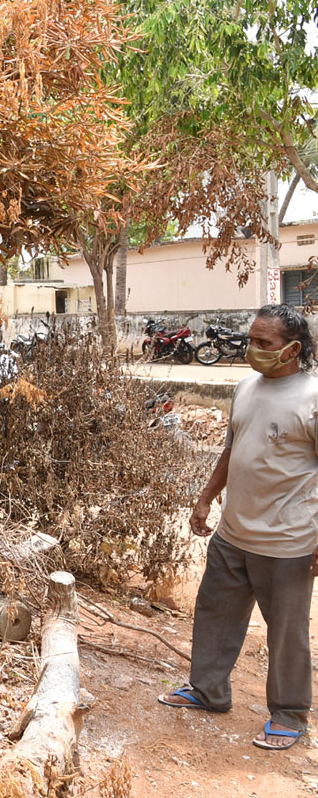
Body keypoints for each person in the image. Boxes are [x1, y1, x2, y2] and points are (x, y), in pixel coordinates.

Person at [158, 303, 318, 751]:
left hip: (287, 542)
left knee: (287, 632)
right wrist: (206, 497)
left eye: (263, 343)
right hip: (232, 535)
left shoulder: (312, 397)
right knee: (214, 615)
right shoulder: (246, 387)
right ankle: (209, 691)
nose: (253, 350)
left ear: (292, 350)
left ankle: (289, 713)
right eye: (251, 340)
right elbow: (233, 448)